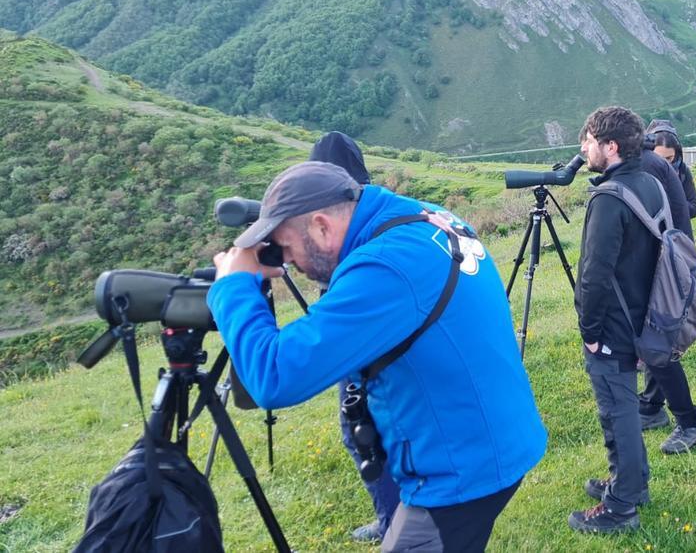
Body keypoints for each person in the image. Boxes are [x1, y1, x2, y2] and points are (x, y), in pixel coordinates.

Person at [206, 161, 547, 552]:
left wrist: (233, 287)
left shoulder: (386, 267)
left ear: (321, 225)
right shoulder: (421, 216)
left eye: (286, 248)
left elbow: (274, 375)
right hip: (493, 438)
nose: (287, 264)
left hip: (460, 470)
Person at [570, 106, 663, 534]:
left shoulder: (608, 199)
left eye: (588, 140)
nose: (583, 148)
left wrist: (590, 332)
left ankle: (621, 504)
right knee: (621, 405)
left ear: (611, 147)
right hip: (645, 314)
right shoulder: (651, 184)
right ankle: (631, 480)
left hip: (613, 322)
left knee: (617, 408)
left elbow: (594, 274)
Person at [308, 132, 400, 544]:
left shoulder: (348, 231)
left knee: (359, 428)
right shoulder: (380, 213)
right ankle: (396, 516)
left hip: (365, 349)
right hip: (390, 342)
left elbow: (280, 378)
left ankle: (392, 521)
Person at [637, 119, 696, 453]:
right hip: (665, 251)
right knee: (654, 339)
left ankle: (682, 418)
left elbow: (689, 208)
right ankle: (651, 407)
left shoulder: (666, 173)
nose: (665, 162)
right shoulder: (653, 171)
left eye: (670, 159)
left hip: (671, 255)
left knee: (660, 337)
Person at [646, 119, 696, 220]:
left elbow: (694, 208)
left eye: (669, 158)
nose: (664, 164)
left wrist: (674, 202)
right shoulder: (640, 172)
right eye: (659, 158)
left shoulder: (682, 170)